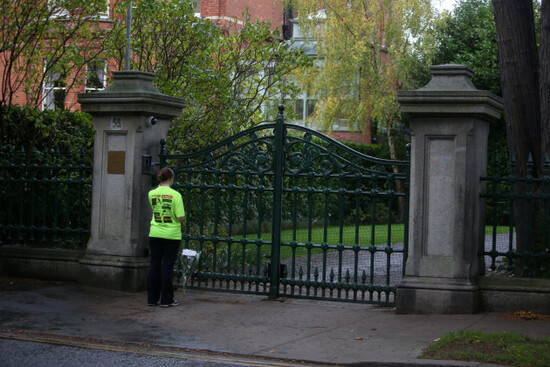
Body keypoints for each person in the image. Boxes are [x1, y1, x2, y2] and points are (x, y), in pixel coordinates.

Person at [147, 167, 185, 308]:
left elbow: (155, 209)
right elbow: (180, 217)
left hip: (155, 232)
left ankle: (152, 299)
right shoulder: (176, 195)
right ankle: (167, 299)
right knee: (167, 266)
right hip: (172, 235)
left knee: (155, 265)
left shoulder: (152, 194)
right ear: (171, 179)